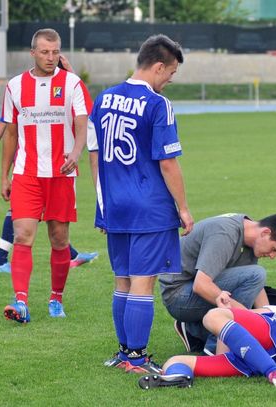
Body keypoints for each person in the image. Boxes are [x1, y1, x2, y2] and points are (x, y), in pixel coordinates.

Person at [89, 34, 193, 374]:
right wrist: (183, 208)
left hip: (115, 205)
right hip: (150, 208)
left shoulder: (104, 98)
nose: (170, 80)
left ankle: (123, 352)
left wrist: (103, 203)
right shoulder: (157, 104)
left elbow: (94, 155)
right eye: (171, 72)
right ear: (159, 66)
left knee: (122, 279)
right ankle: (136, 357)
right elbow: (168, 163)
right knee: (143, 282)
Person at [0, 28, 91, 323]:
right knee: (22, 235)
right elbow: (10, 134)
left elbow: (82, 123)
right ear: (33, 53)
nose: (50, 57)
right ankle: (21, 302)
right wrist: (5, 176)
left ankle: (56, 298)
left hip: (61, 174)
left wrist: (75, 153)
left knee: (59, 240)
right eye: (44, 52)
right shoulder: (15, 86)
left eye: (55, 52)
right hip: (27, 173)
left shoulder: (72, 83)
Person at [0, 57, 98, 274]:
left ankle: (70, 254)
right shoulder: (21, 86)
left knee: (50, 218)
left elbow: (82, 105)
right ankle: (0, 260)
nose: (50, 58)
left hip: (49, 164)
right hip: (29, 162)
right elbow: (6, 122)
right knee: (22, 213)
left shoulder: (68, 86)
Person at [159, 213, 276, 355]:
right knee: (257, 275)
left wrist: (268, 320)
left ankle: (194, 330)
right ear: (265, 232)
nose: (273, 256)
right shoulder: (225, 233)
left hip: (198, 286)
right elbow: (200, 285)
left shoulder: (250, 236)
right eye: (274, 249)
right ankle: (214, 348)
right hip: (178, 294)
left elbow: (255, 286)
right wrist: (250, 317)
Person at [137, 305, 276, 389]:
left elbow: (244, 317)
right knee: (174, 361)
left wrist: (226, 310)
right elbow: (228, 342)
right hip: (267, 356)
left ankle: (274, 372)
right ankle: (179, 376)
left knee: (212, 316)